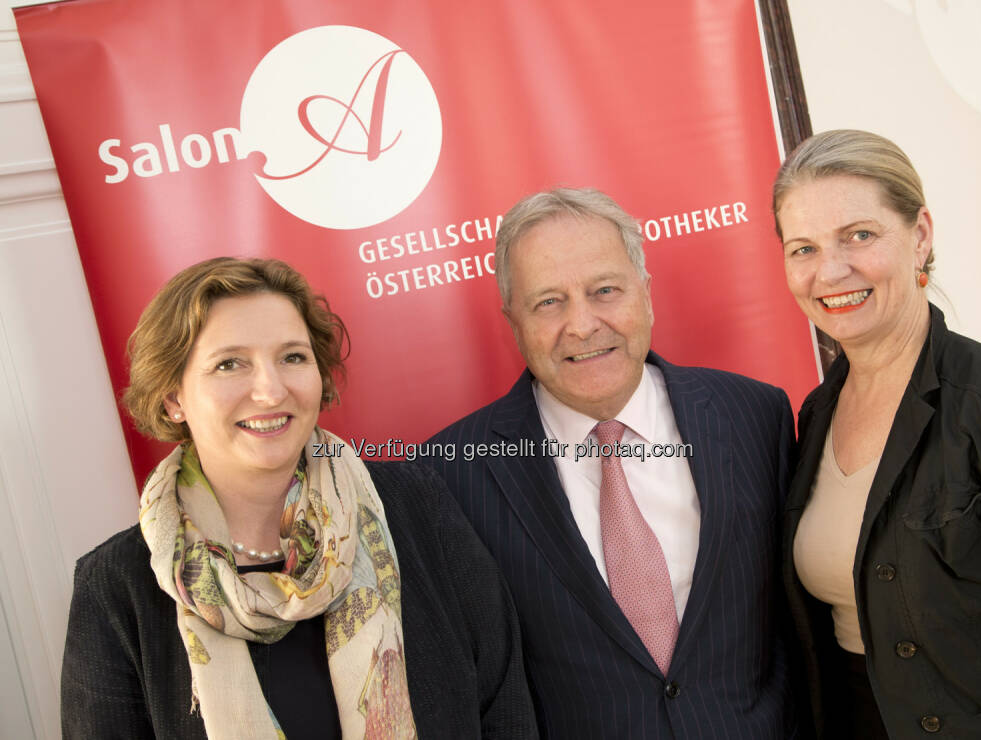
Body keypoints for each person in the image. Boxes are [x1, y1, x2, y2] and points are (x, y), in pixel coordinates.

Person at [60, 257, 538, 740]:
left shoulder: (417, 505)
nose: (270, 391)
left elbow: (506, 706)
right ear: (173, 398)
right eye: (230, 364)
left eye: (292, 357)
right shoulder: (116, 587)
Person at [426, 188, 798, 739]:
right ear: (513, 321)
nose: (581, 324)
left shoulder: (755, 415)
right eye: (548, 302)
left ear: (645, 295)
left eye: (604, 290)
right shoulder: (448, 473)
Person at [774, 129, 981, 739]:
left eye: (859, 235)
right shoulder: (814, 416)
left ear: (919, 236)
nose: (831, 271)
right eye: (803, 248)